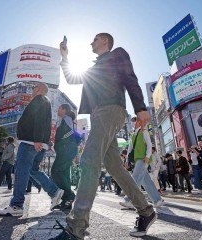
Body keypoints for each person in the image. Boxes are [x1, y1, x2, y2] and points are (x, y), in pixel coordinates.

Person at [54, 33, 155, 239]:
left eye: (95, 39)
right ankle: (146, 211)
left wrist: (141, 108)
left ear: (105, 41)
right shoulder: (93, 67)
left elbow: (130, 78)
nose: (91, 42)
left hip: (111, 109)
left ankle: (77, 226)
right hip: (99, 113)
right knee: (114, 166)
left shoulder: (117, 54)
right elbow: (73, 78)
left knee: (89, 160)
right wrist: (65, 57)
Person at [0, 83, 64, 217]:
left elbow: (38, 120)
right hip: (37, 143)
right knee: (33, 170)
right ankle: (54, 192)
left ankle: (16, 205)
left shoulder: (39, 100)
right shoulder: (45, 102)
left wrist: (37, 139)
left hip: (30, 142)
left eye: (33, 88)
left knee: (21, 170)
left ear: (38, 89)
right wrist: (42, 141)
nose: (31, 91)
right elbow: (44, 123)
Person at [119, 117, 164, 209]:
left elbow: (149, 145)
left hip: (143, 159)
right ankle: (157, 200)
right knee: (146, 182)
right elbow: (130, 149)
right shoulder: (132, 134)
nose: (133, 123)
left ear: (139, 122)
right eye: (132, 121)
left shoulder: (144, 131)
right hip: (136, 160)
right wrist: (127, 160)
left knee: (135, 178)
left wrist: (147, 156)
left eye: (135, 121)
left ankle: (129, 200)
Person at [51, 104, 79, 210]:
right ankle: (67, 202)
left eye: (59, 108)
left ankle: (69, 195)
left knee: (55, 171)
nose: (57, 110)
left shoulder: (67, 120)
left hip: (66, 150)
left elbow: (70, 134)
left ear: (64, 110)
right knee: (64, 174)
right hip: (67, 150)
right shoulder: (66, 120)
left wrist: (59, 143)